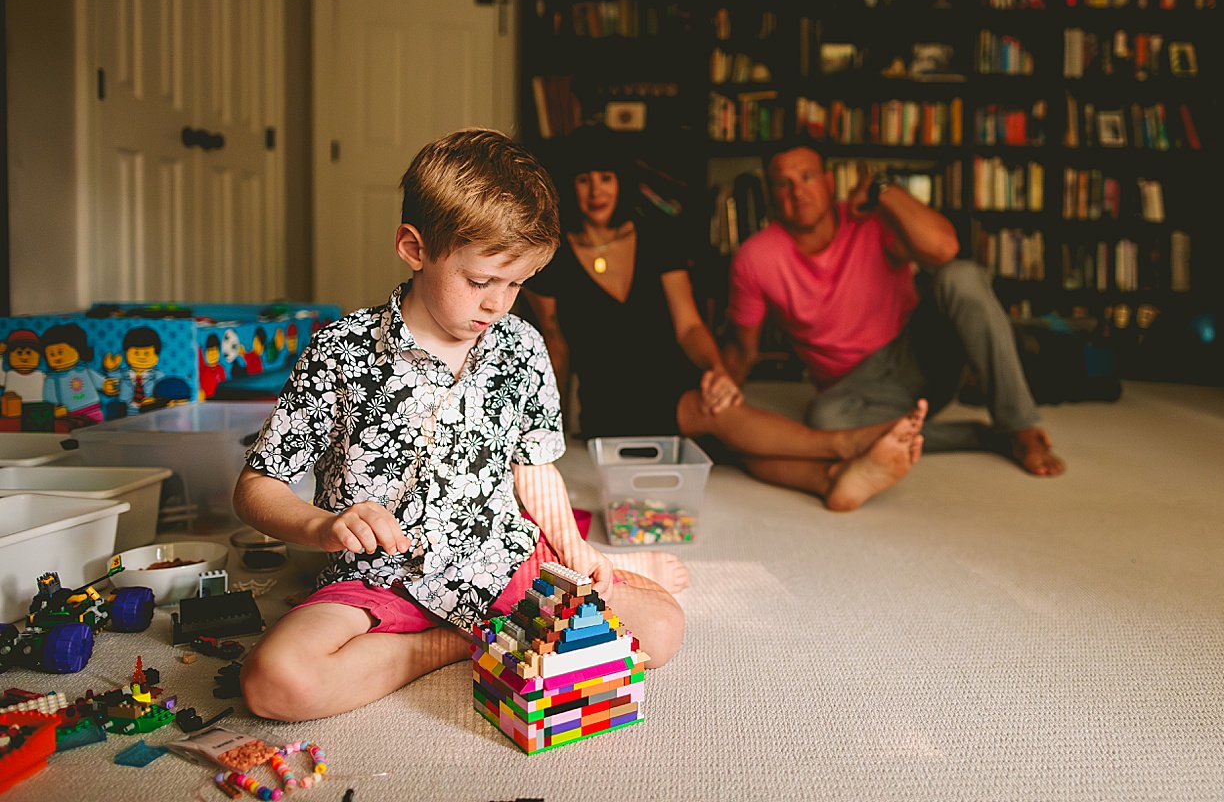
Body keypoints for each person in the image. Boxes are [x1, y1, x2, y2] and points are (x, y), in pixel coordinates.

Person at [232, 128, 687, 723]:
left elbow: (534, 467)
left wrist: (574, 550)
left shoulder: (521, 346)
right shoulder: (339, 352)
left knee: (662, 629)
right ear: (414, 248)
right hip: (382, 579)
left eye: (518, 283)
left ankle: (553, 600)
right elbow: (254, 489)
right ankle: (451, 644)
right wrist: (321, 525)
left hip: (498, 565)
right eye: (480, 282)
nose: (499, 303)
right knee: (275, 682)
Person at [522, 129, 927, 513]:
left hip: (673, 374)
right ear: (568, 186)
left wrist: (717, 371)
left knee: (732, 436)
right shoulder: (551, 257)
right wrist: (545, 427)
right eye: (584, 180)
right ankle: (844, 445)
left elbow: (689, 326)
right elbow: (555, 345)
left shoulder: (657, 236)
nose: (596, 191)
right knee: (716, 416)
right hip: (614, 398)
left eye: (606, 178)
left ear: (621, 182)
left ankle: (831, 480)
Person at [724, 136, 1064, 477]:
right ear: (770, 194)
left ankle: (1021, 427)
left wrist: (881, 188)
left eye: (808, 177)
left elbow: (945, 248)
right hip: (859, 392)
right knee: (825, 424)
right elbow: (743, 348)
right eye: (783, 183)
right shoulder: (755, 259)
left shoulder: (871, 220)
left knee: (961, 276)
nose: (798, 193)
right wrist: (723, 410)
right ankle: (986, 438)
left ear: (829, 183)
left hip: (921, 355)